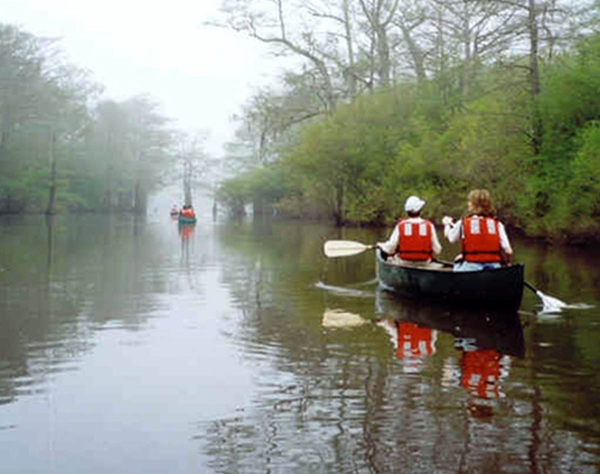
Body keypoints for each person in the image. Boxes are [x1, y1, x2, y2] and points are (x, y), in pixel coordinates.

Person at [442, 189, 513, 272]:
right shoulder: (498, 224)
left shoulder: (462, 223)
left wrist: (446, 224)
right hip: (494, 268)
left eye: (469, 201)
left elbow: (451, 238)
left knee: (457, 262)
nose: (468, 204)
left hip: (471, 268)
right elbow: (508, 251)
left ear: (474, 205)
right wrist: (507, 263)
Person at [377, 195, 442, 266]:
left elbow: (391, 248)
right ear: (420, 211)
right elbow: (437, 250)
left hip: (404, 262)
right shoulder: (429, 225)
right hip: (424, 262)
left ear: (407, 212)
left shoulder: (400, 226)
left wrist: (382, 246)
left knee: (390, 258)